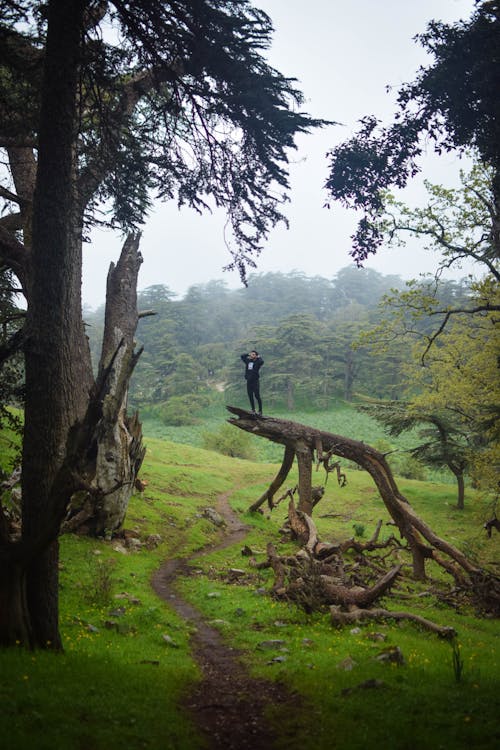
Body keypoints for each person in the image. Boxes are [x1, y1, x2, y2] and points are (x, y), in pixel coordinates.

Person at [241, 350, 264, 414]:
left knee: (257, 396)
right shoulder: (248, 361)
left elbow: (262, 362)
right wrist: (248, 354)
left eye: (254, 354)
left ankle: (260, 410)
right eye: (252, 354)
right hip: (249, 381)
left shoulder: (258, 362)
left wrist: (259, 357)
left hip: (255, 381)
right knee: (250, 395)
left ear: (256, 355)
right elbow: (242, 356)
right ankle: (253, 409)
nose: (252, 355)